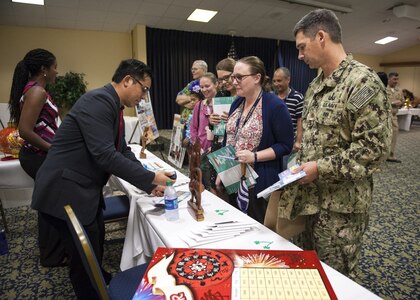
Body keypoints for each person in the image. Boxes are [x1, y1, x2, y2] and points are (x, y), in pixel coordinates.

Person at [31, 59, 175, 299]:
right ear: (128, 80)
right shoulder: (98, 101)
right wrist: (150, 179)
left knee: (95, 240)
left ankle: (100, 279)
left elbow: (122, 150)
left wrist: (149, 181)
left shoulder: (112, 104)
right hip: (65, 190)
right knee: (81, 259)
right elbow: (105, 155)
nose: (144, 96)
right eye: (144, 89)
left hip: (82, 189)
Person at [277, 9, 392, 278]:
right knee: (311, 272)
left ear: (321, 37)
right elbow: (312, 139)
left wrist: (319, 168)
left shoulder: (362, 82)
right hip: (310, 201)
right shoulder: (316, 85)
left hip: (341, 209)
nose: (300, 56)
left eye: (302, 47)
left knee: (337, 277)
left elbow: (372, 151)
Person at [8, 48, 66, 267]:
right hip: (39, 156)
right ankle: (52, 256)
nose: (56, 72)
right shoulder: (36, 92)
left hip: (40, 155)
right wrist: (53, 149)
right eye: (54, 67)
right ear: (44, 69)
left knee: (50, 202)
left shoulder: (35, 89)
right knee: (51, 204)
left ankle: (53, 252)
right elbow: (25, 131)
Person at [223, 56, 294, 223]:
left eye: (239, 77)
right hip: (234, 176)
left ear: (257, 78)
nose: (234, 82)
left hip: (259, 180)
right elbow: (230, 138)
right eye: (233, 77)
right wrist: (223, 171)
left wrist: (254, 156)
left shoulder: (275, 106)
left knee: (257, 229)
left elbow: (285, 146)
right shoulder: (237, 102)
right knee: (236, 225)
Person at [190, 73, 218, 190]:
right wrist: (197, 146)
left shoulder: (224, 103)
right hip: (202, 151)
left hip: (217, 150)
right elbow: (194, 128)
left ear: (216, 84)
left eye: (207, 86)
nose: (204, 90)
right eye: (202, 87)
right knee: (204, 183)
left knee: (217, 186)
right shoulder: (199, 105)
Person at [272, 67, 304, 153]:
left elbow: (300, 120)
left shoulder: (298, 97)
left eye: (279, 81)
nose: (276, 84)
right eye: (274, 81)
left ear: (288, 80)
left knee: (286, 166)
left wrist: (298, 141)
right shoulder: (271, 97)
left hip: (289, 144)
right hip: (272, 144)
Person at [386, 72, 404, 163]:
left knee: (394, 135)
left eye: (397, 79)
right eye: (394, 79)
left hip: (394, 117)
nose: (396, 81)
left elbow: (402, 101)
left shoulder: (399, 90)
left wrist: (401, 103)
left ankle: (391, 155)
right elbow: (380, 103)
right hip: (384, 117)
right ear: (389, 79)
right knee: (384, 136)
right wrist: (392, 103)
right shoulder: (384, 89)